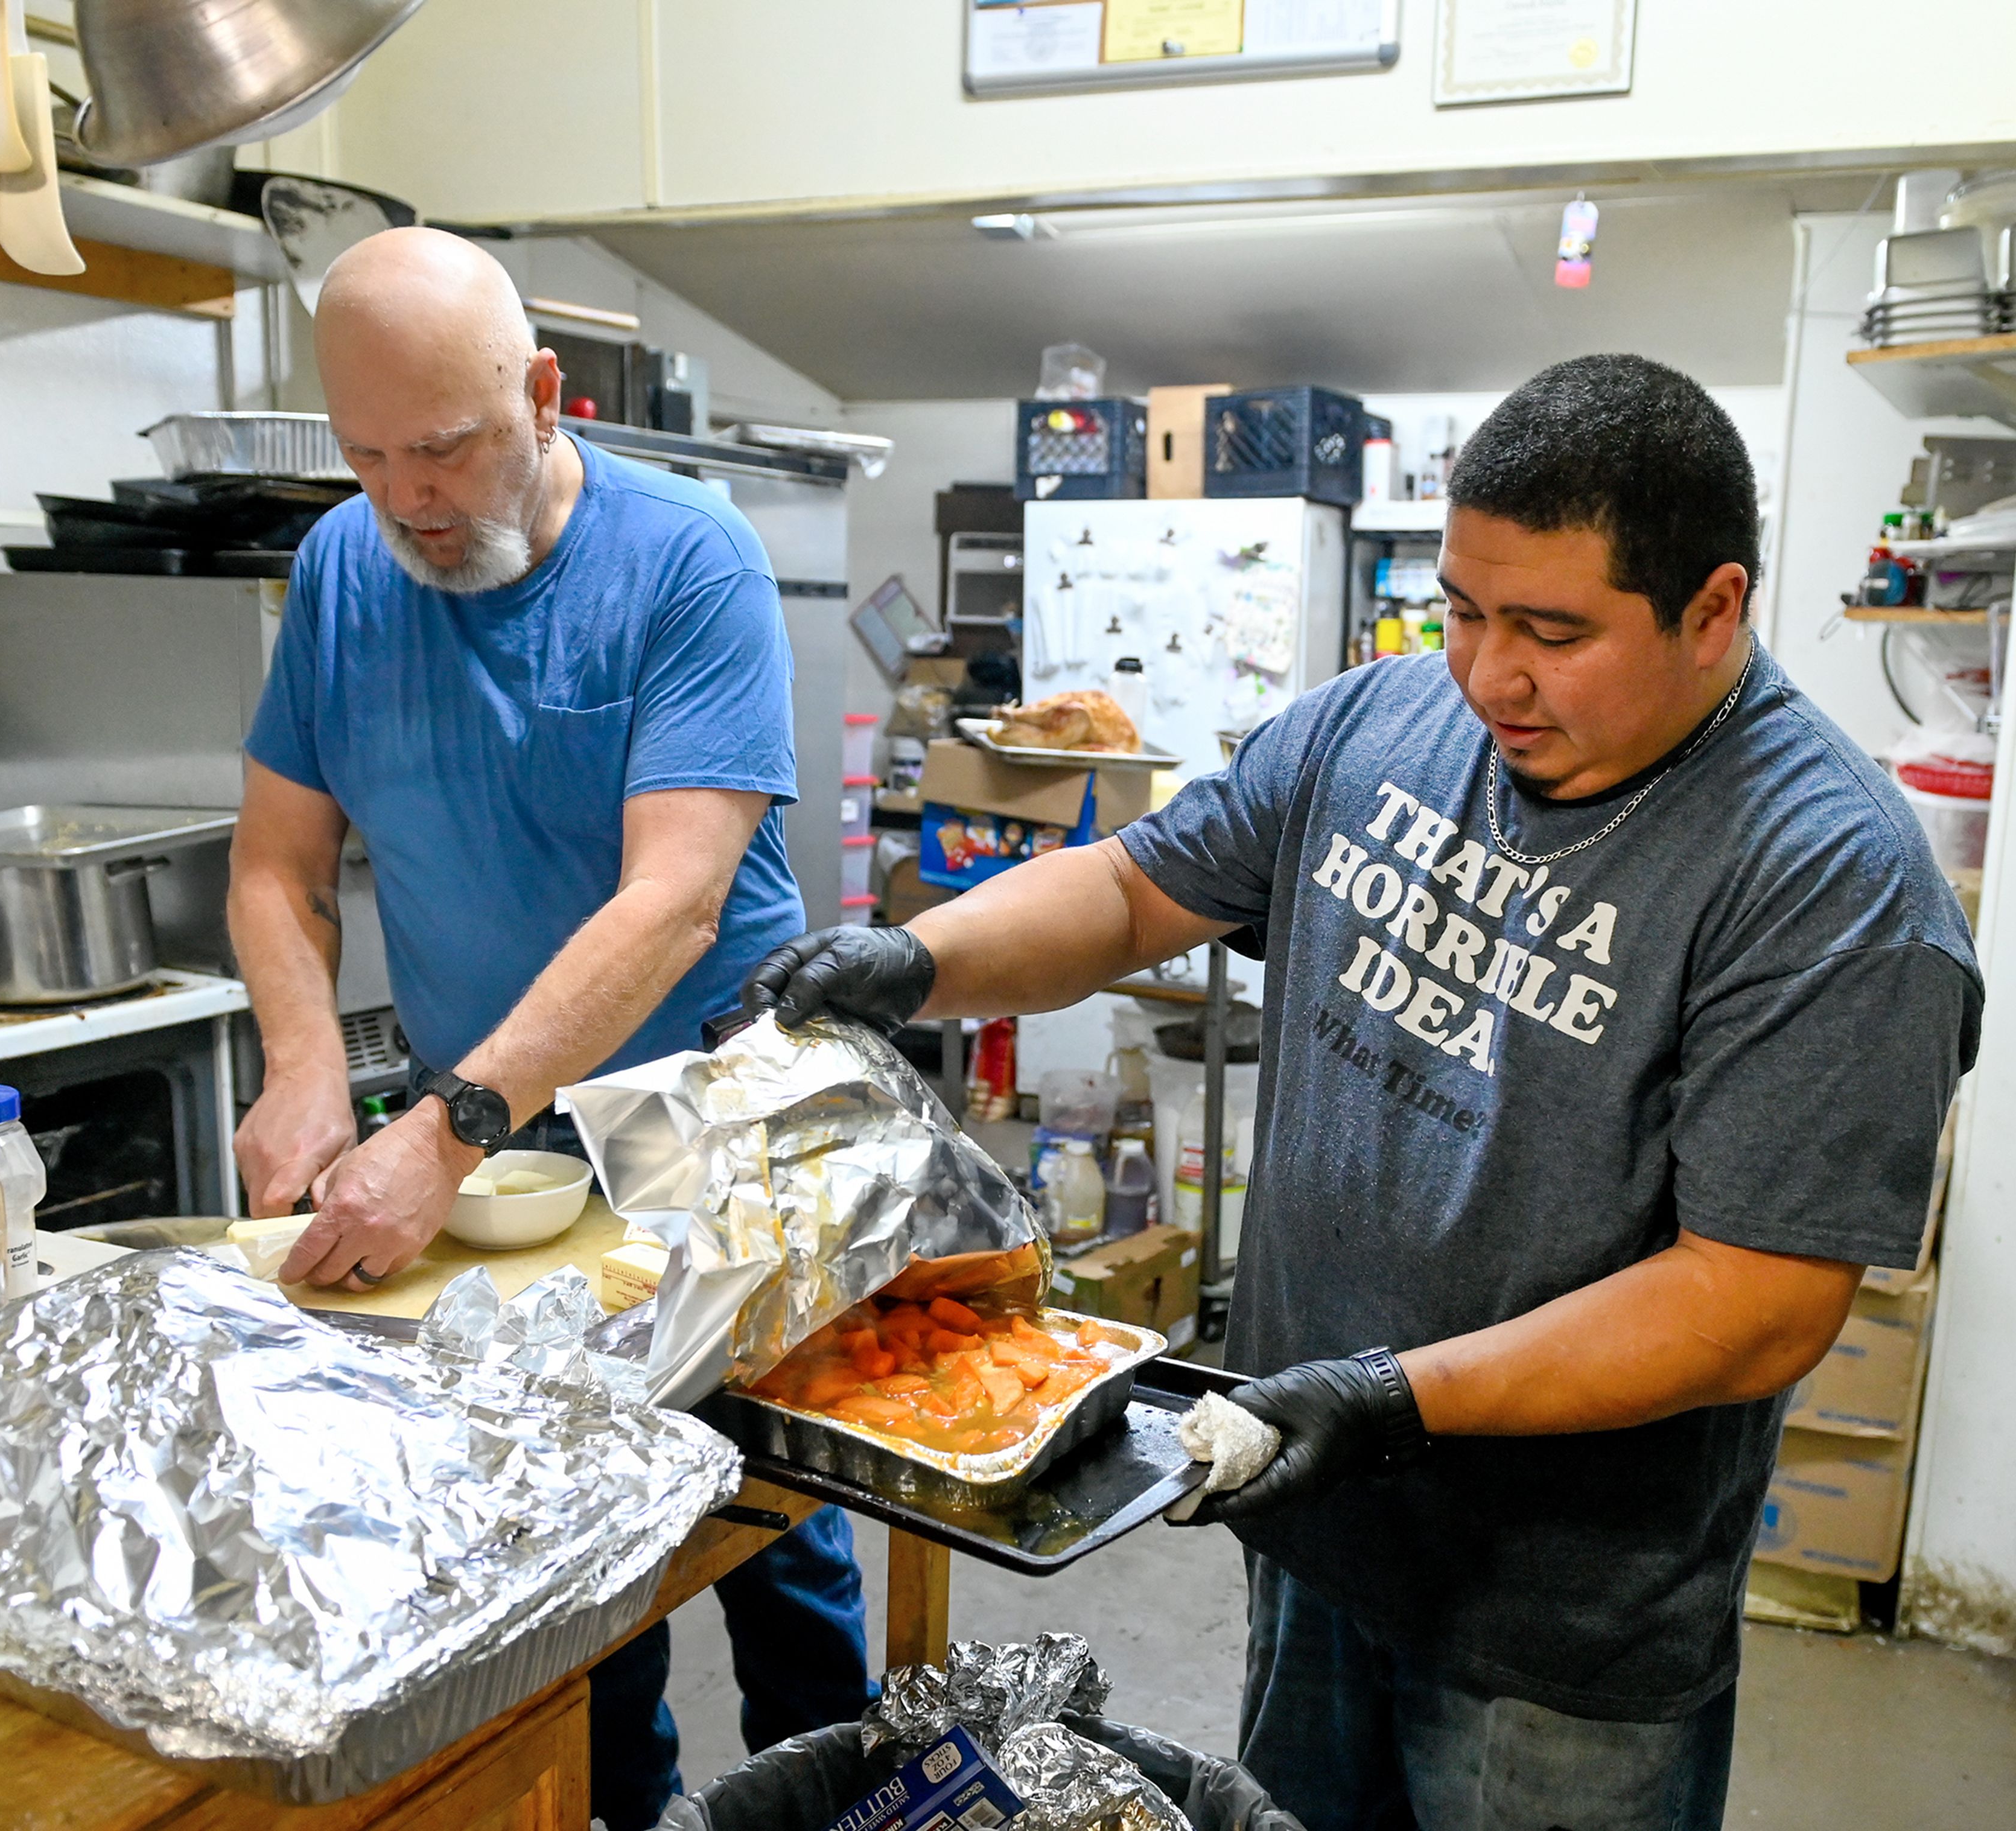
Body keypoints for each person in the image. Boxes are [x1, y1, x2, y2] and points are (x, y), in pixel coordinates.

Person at [743, 355, 1980, 1830]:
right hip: (1317, 1507)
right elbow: (1139, 891)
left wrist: (1400, 1396)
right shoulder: (1382, 723)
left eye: (1552, 630)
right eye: (1464, 609)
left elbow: (1758, 1296)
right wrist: (916, 955)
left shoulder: (1830, 879)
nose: (1487, 675)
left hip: (1557, 1626)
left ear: (1715, 608)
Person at [226, 227, 866, 1831]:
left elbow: (671, 901)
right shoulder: (342, 568)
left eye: (443, 449)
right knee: (557, 1532)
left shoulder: (683, 554)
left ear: (543, 394)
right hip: (495, 1141)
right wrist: (308, 1061)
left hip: (711, 1110)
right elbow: (273, 862)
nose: (411, 500)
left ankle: (850, 1798)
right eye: (369, 460)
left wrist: (442, 1134)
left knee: (774, 1512)